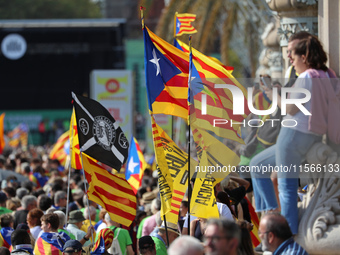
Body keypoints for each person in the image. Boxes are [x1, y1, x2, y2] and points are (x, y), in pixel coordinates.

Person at [250, 33, 329, 235]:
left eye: (292, 54)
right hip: (307, 136)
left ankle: (285, 235)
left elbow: (290, 109)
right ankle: (271, 217)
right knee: (257, 166)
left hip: (293, 136)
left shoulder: (306, 76)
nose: (290, 59)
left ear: (304, 56)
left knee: (286, 188)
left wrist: (273, 95)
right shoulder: (323, 75)